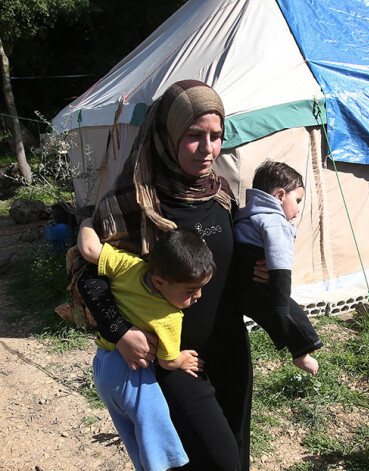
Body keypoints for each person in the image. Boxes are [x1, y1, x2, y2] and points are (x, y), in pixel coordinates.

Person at [74, 79, 251, 470]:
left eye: (216, 136)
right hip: (171, 360)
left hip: (229, 350)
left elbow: (228, 269)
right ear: (166, 133)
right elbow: (87, 276)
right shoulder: (131, 201)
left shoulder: (220, 193)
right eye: (194, 136)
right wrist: (121, 332)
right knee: (217, 461)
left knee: (236, 453)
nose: (208, 150)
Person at [77, 225, 216, 471]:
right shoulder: (171, 317)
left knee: (134, 437)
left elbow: (89, 249)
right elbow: (167, 361)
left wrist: (87, 220)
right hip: (132, 375)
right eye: (191, 291)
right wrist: (183, 359)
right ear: (159, 282)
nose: (199, 296)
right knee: (156, 436)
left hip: (103, 365)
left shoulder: (128, 265)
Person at [234, 161, 322, 375]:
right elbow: (279, 256)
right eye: (297, 200)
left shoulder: (245, 214)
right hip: (262, 276)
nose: (299, 209)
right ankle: (302, 353)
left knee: (266, 314)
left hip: (238, 279)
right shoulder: (274, 220)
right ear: (280, 196)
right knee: (290, 313)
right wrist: (281, 298)